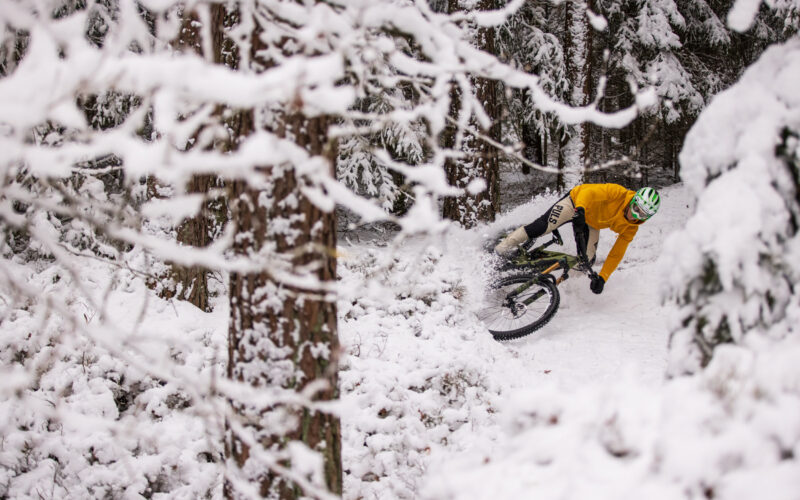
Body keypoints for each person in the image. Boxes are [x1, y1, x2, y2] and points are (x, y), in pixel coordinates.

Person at [494, 184, 661, 294]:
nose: (635, 215)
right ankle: (501, 248)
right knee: (543, 227)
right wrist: (580, 209)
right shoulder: (617, 193)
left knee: (587, 260)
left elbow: (617, 253)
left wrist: (603, 277)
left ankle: (567, 289)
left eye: (642, 214)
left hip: (591, 222)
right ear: (633, 200)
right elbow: (588, 192)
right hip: (576, 202)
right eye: (635, 208)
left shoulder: (631, 227)